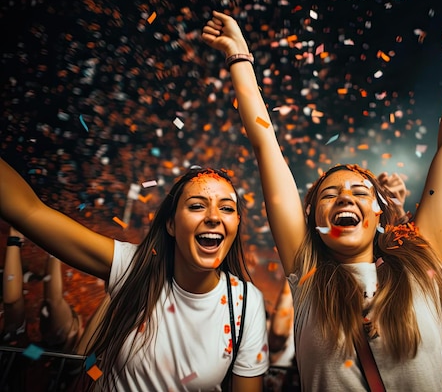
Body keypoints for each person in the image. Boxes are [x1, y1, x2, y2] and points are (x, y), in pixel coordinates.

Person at [202, 10, 442, 390]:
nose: (345, 196)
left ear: (380, 212)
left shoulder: (418, 265)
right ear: (312, 216)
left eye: (360, 192)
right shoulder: (307, 275)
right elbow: (265, 143)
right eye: (329, 194)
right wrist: (239, 57)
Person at [0, 160, 269, 391]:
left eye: (226, 208)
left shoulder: (246, 303)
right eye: (197, 206)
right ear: (171, 225)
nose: (213, 217)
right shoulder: (134, 267)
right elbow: (27, 211)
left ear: (236, 224)